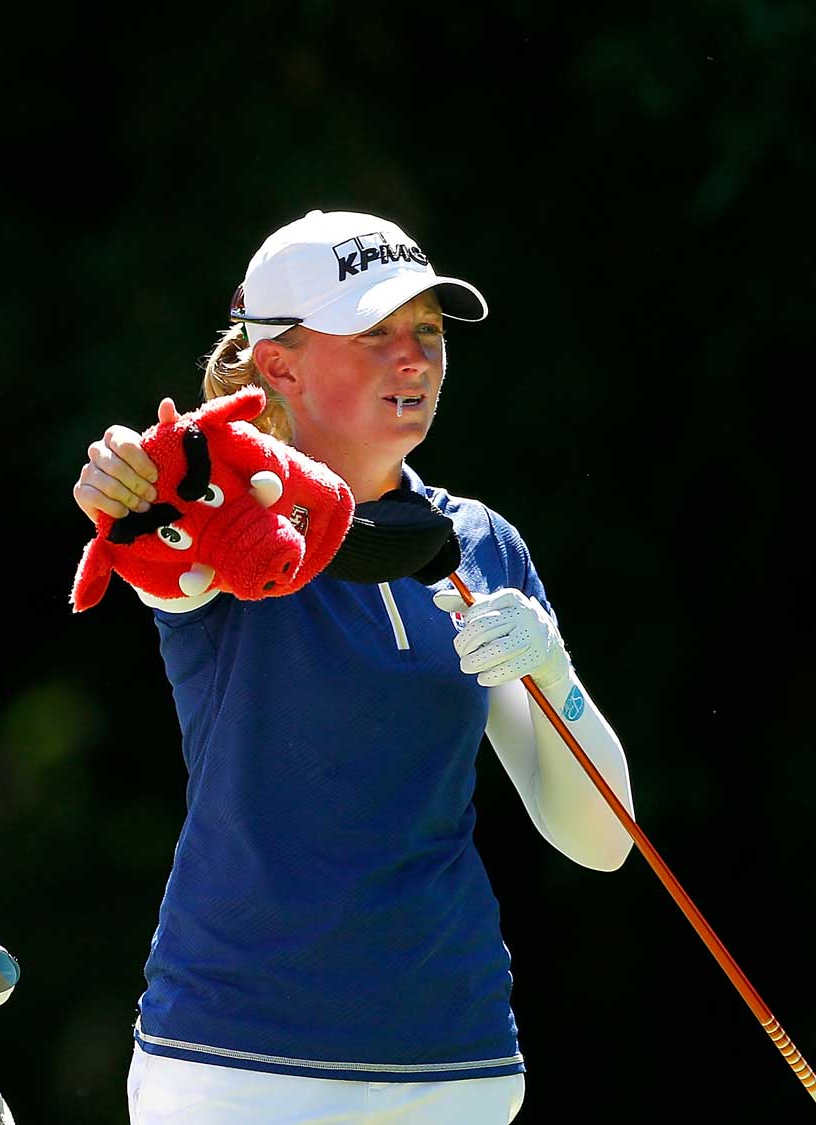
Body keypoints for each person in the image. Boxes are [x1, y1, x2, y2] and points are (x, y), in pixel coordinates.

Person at [72, 210, 639, 1124]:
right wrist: (126, 486)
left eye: (426, 331)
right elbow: (159, 539)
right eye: (373, 333)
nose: (411, 358)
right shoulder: (217, 519)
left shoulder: (481, 541)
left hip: (456, 1059)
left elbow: (601, 841)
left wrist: (554, 670)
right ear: (278, 363)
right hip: (235, 1061)